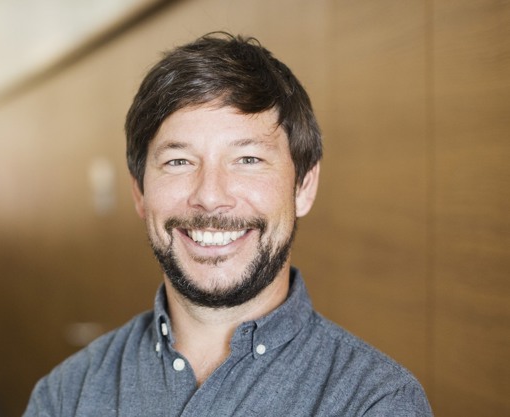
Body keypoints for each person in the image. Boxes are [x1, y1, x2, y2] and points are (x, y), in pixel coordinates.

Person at [24, 32, 433, 416]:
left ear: (304, 187)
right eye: (179, 161)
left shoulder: (375, 401)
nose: (210, 195)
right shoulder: (65, 395)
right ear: (140, 193)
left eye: (248, 160)